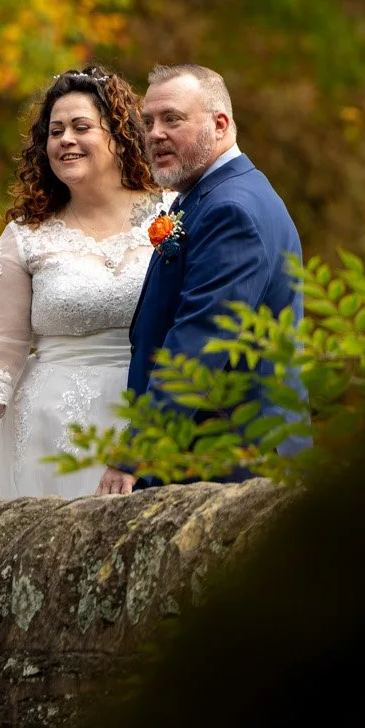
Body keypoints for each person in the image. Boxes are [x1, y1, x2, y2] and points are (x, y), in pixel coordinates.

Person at [0, 67, 165, 503]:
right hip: (50, 429)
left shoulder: (172, 214)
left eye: (81, 127)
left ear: (120, 136)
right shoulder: (26, 236)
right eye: (55, 131)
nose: (66, 140)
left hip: (151, 411)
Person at [110, 63, 305, 493]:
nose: (155, 133)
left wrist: (136, 455)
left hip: (231, 464)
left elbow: (196, 345)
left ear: (220, 125)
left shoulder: (231, 209)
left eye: (172, 119)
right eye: (148, 122)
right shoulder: (208, 196)